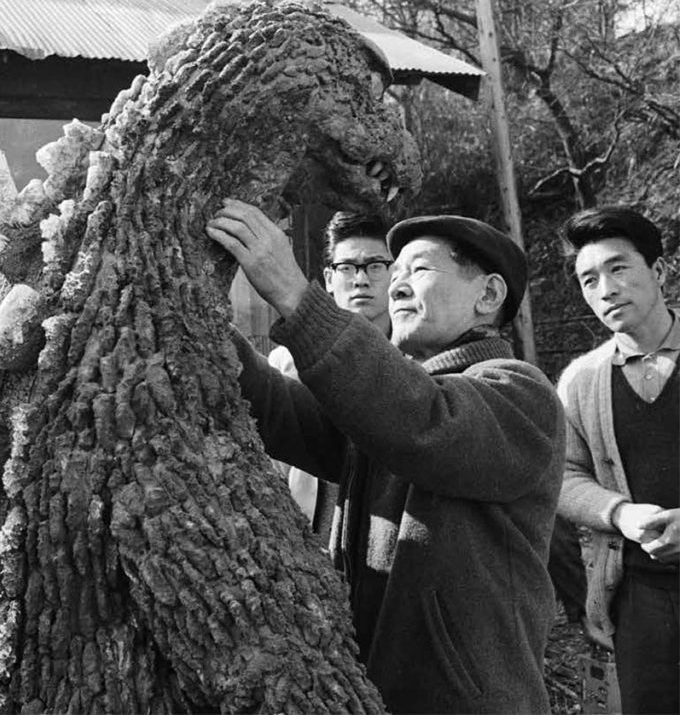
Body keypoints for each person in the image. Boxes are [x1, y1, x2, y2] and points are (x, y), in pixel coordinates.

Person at [207, 200, 564, 714]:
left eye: (417, 270)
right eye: (393, 272)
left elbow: (421, 420)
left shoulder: (519, 392)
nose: (394, 285)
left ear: (488, 294)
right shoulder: (389, 401)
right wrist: (206, 326)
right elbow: (282, 409)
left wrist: (293, 294)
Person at [555, 206, 678, 715]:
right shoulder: (582, 381)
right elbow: (561, 475)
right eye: (589, 279)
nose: (605, 289)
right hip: (641, 596)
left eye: (618, 268)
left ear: (661, 270)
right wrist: (621, 513)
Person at [271, 211, 393, 533]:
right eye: (347, 267)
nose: (361, 279)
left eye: (376, 266)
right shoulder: (287, 361)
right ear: (328, 278)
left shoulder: (414, 365)